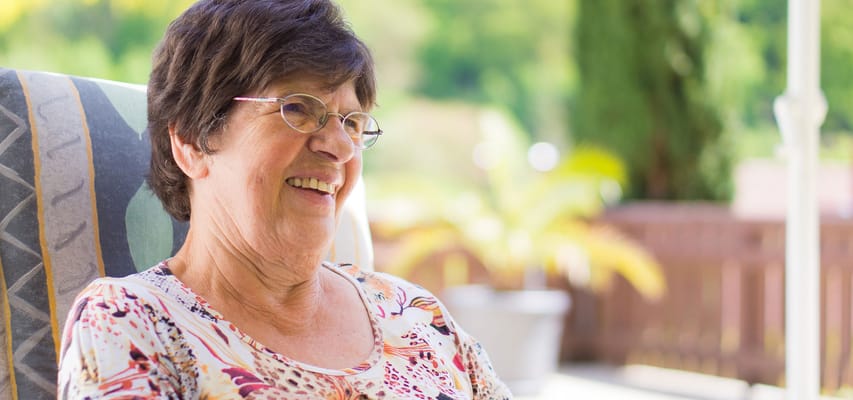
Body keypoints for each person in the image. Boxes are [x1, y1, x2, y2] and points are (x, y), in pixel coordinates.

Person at [56, 0, 511, 398]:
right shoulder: (132, 325)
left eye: (352, 122)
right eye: (298, 108)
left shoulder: (415, 313)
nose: (341, 146)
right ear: (192, 142)